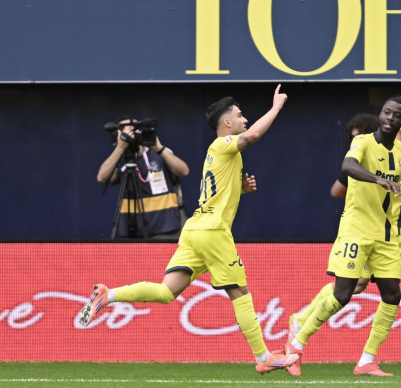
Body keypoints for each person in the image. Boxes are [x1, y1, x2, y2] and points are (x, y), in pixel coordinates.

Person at [80, 86, 298, 374]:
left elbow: (214, 192)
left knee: (167, 291)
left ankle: (109, 295)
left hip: (194, 230)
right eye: (239, 114)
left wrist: (239, 189)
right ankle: (263, 357)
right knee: (240, 293)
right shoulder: (223, 145)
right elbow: (254, 135)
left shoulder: (216, 153)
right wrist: (276, 108)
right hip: (212, 232)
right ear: (227, 123)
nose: (245, 118)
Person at [289, 97, 401, 377]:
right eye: (387, 112)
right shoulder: (363, 143)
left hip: (387, 235)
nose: (391, 118)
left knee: (394, 294)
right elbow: (347, 168)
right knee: (343, 294)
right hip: (357, 232)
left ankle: (367, 361)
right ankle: (296, 344)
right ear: (380, 115)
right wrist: (376, 179)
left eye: (398, 115)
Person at [96, 116, 189, 239]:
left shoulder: (158, 153)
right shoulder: (121, 160)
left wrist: (159, 148)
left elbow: (184, 171)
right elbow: (102, 178)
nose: (129, 134)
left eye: (132, 129)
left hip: (166, 226)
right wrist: (119, 149)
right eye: (124, 131)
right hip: (135, 229)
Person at [330, 113, 380, 198]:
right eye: (354, 137)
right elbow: (335, 192)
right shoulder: (355, 164)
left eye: (360, 137)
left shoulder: (392, 157)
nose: (356, 141)